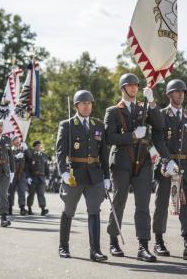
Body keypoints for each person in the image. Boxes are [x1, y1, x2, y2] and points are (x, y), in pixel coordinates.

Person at [105, 73, 168, 262]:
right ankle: (113, 241)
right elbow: (109, 138)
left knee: (143, 205)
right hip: (122, 162)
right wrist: (132, 135)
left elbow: (160, 125)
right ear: (122, 88)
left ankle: (143, 246)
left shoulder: (144, 107)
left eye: (136, 86)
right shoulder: (113, 111)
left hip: (143, 162)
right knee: (119, 201)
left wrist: (153, 102)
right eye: (130, 85)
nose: (134, 88)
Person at [152, 79, 187, 260]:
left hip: (186, 168)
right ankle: (158, 241)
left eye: (183, 91)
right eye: (176, 91)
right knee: (162, 204)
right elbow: (158, 140)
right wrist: (167, 159)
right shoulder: (161, 115)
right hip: (167, 167)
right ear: (169, 94)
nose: (181, 94)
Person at [56, 90, 110, 261]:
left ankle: (95, 251)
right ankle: (63, 246)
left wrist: (107, 176)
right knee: (69, 210)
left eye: (89, 103)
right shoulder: (67, 125)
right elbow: (60, 152)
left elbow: (104, 154)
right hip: (74, 174)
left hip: (94, 175)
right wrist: (63, 172)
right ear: (76, 106)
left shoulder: (99, 125)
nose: (87, 106)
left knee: (94, 211)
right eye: (83, 103)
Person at [26, 140, 50, 216]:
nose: (39, 147)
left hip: (42, 177)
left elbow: (47, 168)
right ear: (34, 147)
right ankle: (29, 208)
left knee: (41, 193)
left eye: (40, 146)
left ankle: (43, 209)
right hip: (33, 177)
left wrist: (48, 178)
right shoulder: (30, 155)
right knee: (31, 194)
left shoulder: (44, 155)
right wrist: (28, 177)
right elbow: (27, 167)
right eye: (37, 146)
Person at [8, 136, 29, 215]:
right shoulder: (10, 150)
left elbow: (30, 158)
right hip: (12, 173)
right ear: (12, 142)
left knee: (22, 191)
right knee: (10, 191)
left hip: (21, 174)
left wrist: (26, 149)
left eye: (18, 141)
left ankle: (22, 207)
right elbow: (8, 159)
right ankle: (9, 207)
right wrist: (15, 157)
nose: (18, 142)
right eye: (16, 141)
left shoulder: (23, 150)